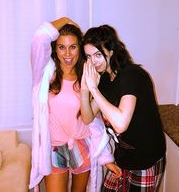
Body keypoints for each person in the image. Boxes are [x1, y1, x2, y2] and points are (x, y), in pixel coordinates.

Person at [29, 17, 121, 192]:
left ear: (80, 47)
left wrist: (106, 158)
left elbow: (95, 120)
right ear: (55, 50)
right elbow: (40, 37)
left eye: (73, 47)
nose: (68, 54)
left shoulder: (88, 75)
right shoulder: (44, 74)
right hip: (55, 148)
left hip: (82, 145)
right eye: (61, 47)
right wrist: (65, 20)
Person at [80, 24, 166, 191]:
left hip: (146, 160)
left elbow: (120, 124)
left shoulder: (131, 75)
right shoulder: (104, 78)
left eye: (98, 54)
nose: (93, 62)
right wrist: (85, 90)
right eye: (88, 56)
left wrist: (94, 89)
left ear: (111, 51)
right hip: (123, 158)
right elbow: (87, 118)